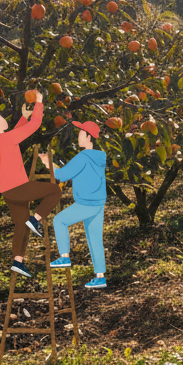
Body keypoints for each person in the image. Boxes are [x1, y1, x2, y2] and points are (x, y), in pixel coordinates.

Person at [0, 94, 62, 276]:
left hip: (7, 191)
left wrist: (24, 117)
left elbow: (13, 136)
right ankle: (36, 219)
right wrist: (40, 103)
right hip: (18, 187)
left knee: (21, 224)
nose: (5, 119)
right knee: (54, 191)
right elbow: (34, 127)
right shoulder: (6, 139)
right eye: (1, 118)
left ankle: (18, 261)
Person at [45, 120, 109, 289]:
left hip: (86, 202)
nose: (78, 136)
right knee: (95, 239)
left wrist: (47, 164)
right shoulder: (100, 156)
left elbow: (63, 175)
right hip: (98, 202)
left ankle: (64, 257)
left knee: (59, 220)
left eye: (81, 133)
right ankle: (100, 276)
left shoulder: (83, 157)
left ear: (89, 137)